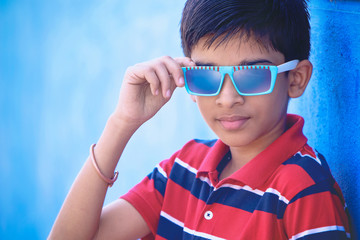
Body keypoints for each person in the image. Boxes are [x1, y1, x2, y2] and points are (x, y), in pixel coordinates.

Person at [49, 0, 352, 239]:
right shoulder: (183, 170)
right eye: (207, 76)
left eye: (253, 75)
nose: (227, 98)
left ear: (296, 79)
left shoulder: (304, 190)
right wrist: (122, 121)